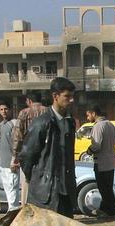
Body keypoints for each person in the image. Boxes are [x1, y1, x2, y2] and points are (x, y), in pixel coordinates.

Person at [19, 77, 77, 217]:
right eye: (67, 97)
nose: (71, 100)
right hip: (46, 193)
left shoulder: (70, 123)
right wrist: (37, 179)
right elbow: (26, 156)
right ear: (55, 96)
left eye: (72, 96)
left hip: (66, 192)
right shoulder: (42, 123)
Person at [12, 93, 48, 204]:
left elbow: (17, 136)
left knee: (27, 181)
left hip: (28, 152)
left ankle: (26, 208)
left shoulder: (24, 113)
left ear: (29, 101)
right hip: (45, 153)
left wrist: (15, 155)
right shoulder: (48, 112)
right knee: (44, 181)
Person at [86, 104, 115, 217]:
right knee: (108, 187)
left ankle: (108, 211)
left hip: (101, 162)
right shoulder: (110, 124)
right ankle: (107, 207)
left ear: (94, 114)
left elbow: (96, 146)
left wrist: (89, 151)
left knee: (103, 188)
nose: (87, 118)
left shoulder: (98, 126)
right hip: (110, 161)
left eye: (88, 115)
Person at [0, 101, 21, 211]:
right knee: (7, 190)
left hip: (12, 163)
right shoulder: (1, 125)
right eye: (1, 109)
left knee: (13, 190)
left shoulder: (14, 123)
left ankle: (13, 214)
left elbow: (18, 143)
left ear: (10, 110)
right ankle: (11, 213)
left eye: (6, 109)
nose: (4, 111)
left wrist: (14, 159)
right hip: (3, 164)